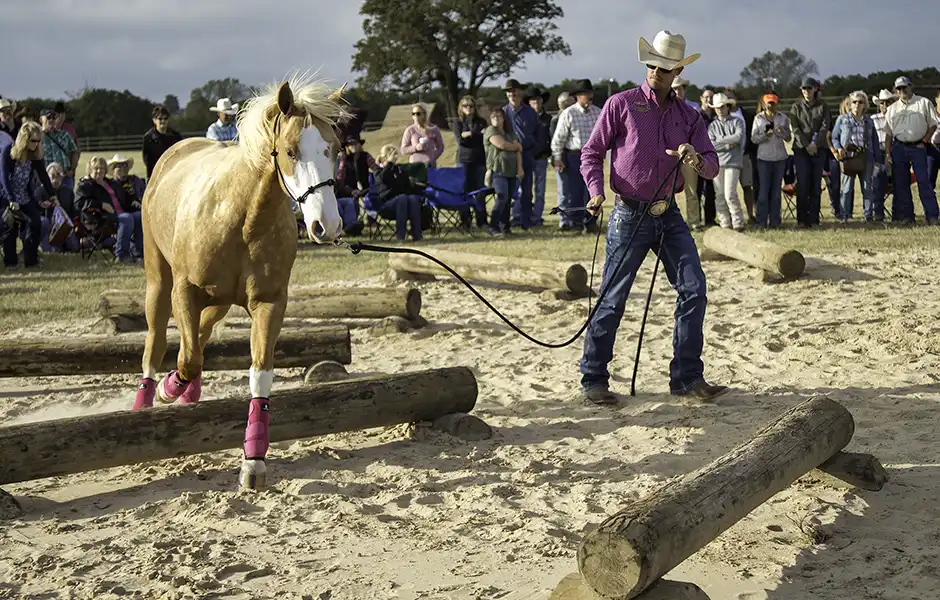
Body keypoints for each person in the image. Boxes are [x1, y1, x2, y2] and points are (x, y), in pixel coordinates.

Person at [578, 30, 726, 404]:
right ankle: (594, 378)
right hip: (628, 214)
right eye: (652, 65)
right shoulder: (621, 104)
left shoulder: (689, 116)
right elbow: (592, 153)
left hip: (668, 214)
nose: (656, 72)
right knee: (613, 297)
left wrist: (695, 158)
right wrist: (596, 190)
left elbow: (712, 165)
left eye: (664, 68)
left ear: (677, 71)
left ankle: (687, 378)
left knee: (694, 288)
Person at [884, 76, 939, 225]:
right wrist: (888, 154)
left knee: (924, 181)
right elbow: (888, 134)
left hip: (918, 147)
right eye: (899, 88)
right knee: (901, 184)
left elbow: (933, 124)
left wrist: (925, 141)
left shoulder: (923, 103)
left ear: (910, 86)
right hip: (899, 147)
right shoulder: (892, 109)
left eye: (904, 87)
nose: (902, 90)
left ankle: (932, 216)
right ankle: (907, 217)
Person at [0, 122, 54, 268]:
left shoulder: (34, 155)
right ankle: (11, 263)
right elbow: (3, 177)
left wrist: (52, 194)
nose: (36, 144)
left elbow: (43, 175)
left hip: (25, 196)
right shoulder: (8, 152)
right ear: (24, 139)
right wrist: (11, 199)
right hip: (7, 196)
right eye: (33, 140)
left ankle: (31, 260)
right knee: (10, 227)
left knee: (35, 222)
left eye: (38, 141)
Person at [831, 91, 881, 223]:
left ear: (865, 105)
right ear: (849, 104)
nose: (857, 104)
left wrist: (878, 160)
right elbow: (834, 137)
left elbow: (875, 141)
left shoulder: (869, 121)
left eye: (860, 102)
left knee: (867, 188)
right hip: (848, 158)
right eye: (854, 102)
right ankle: (845, 216)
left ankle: (868, 216)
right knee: (847, 189)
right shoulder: (842, 119)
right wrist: (839, 149)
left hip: (866, 157)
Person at [750, 93, 791, 228]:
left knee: (776, 192)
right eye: (768, 103)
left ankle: (775, 221)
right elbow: (754, 139)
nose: (770, 106)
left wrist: (781, 132)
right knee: (763, 191)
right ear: (763, 104)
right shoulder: (758, 118)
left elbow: (788, 138)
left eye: (773, 103)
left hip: (780, 158)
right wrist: (765, 135)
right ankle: (761, 221)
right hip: (764, 158)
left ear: (776, 104)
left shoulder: (783, 118)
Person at [706, 92, 745, 231]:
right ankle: (725, 223)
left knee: (730, 194)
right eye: (717, 107)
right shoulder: (712, 126)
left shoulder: (737, 121)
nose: (720, 110)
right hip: (718, 163)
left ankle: (738, 222)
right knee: (720, 195)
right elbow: (711, 144)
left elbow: (738, 137)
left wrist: (720, 141)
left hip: (733, 163)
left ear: (728, 107)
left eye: (722, 107)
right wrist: (728, 145)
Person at [142, 105, 183, 179]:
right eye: (160, 118)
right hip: (155, 176)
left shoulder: (176, 136)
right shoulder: (148, 138)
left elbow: (180, 155)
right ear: (154, 120)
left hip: (173, 174)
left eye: (165, 118)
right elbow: (147, 161)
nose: (163, 121)